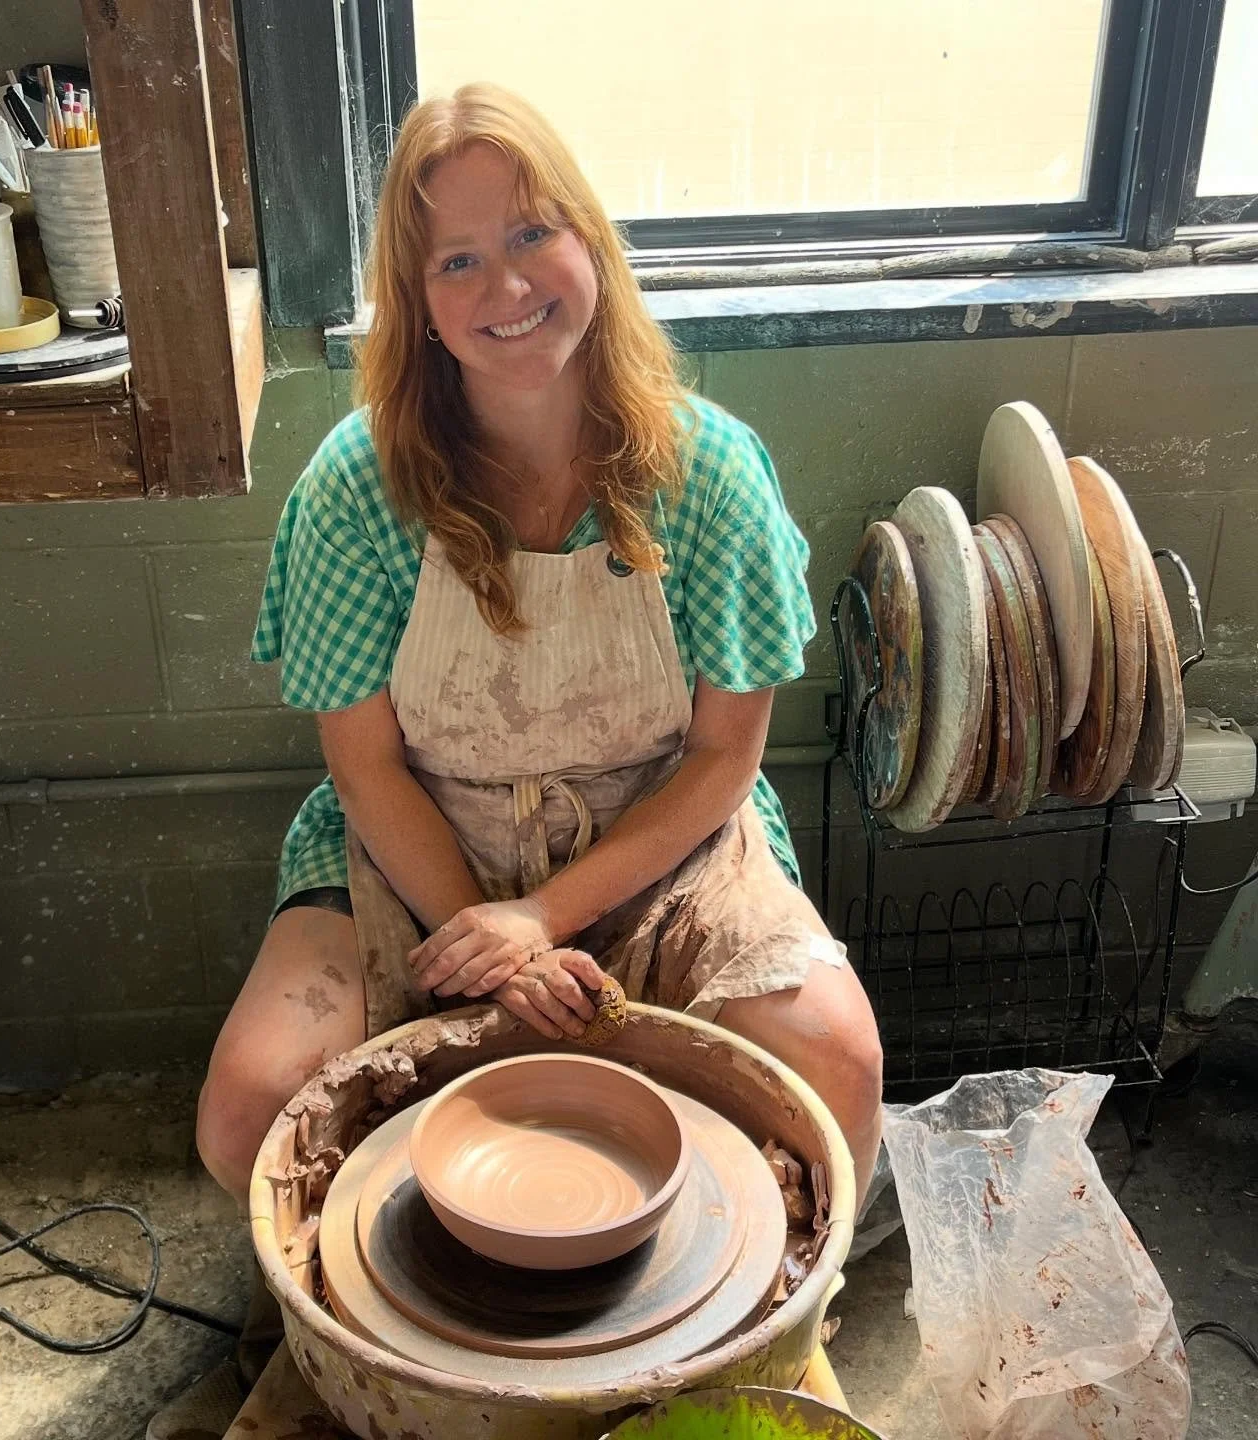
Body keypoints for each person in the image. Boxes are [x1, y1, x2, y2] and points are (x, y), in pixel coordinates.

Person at [196, 83, 883, 1211]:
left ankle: (755, 1286)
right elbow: (365, 767)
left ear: (591, 243)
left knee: (838, 1066)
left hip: (658, 836)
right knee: (248, 1117)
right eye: (457, 261)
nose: (506, 289)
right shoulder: (355, 488)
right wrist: (491, 943)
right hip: (421, 838)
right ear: (417, 303)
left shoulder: (710, 474)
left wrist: (540, 918)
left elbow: (725, 758)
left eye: (530, 235)